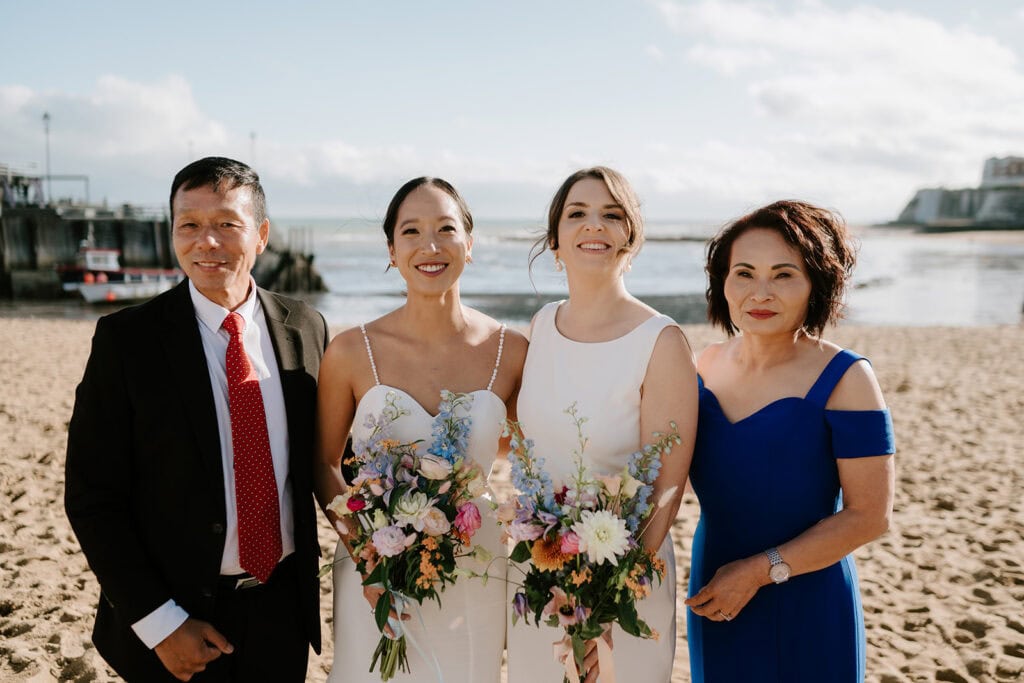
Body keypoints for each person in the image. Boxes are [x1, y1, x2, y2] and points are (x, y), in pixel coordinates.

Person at [64, 157, 328, 682]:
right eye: (190, 225)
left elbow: (324, 463)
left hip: (281, 611)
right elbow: (92, 497)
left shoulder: (307, 327)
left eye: (228, 224)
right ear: (172, 234)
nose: (207, 241)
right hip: (173, 620)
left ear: (261, 235)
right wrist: (160, 623)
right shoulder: (126, 342)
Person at [315, 177, 527, 683]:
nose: (430, 247)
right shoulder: (349, 350)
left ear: (469, 245)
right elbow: (323, 464)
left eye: (446, 229)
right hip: (373, 570)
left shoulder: (512, 351)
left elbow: (525, 459)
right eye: (411, 231)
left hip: (475, 568)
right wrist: (369, 560)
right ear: (391, 250)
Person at [684, 200, 896, 682]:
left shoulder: (847, 377)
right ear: (722, 282)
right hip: (715, 590)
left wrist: (759, 571)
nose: (761, 292)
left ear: (814, 286)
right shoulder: (697, 367)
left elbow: (869, 515)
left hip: (807, 593)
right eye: (744, 273)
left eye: (783, 275)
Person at [506, 167, 699, 683]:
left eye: (612, 215)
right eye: (578, 214)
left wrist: (607, 602)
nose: (595, 226)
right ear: (555, 240)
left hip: (624, 580)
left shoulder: (662, 341)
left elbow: (666, 491)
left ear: (630, 236)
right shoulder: (542, 324)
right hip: (536, 572)